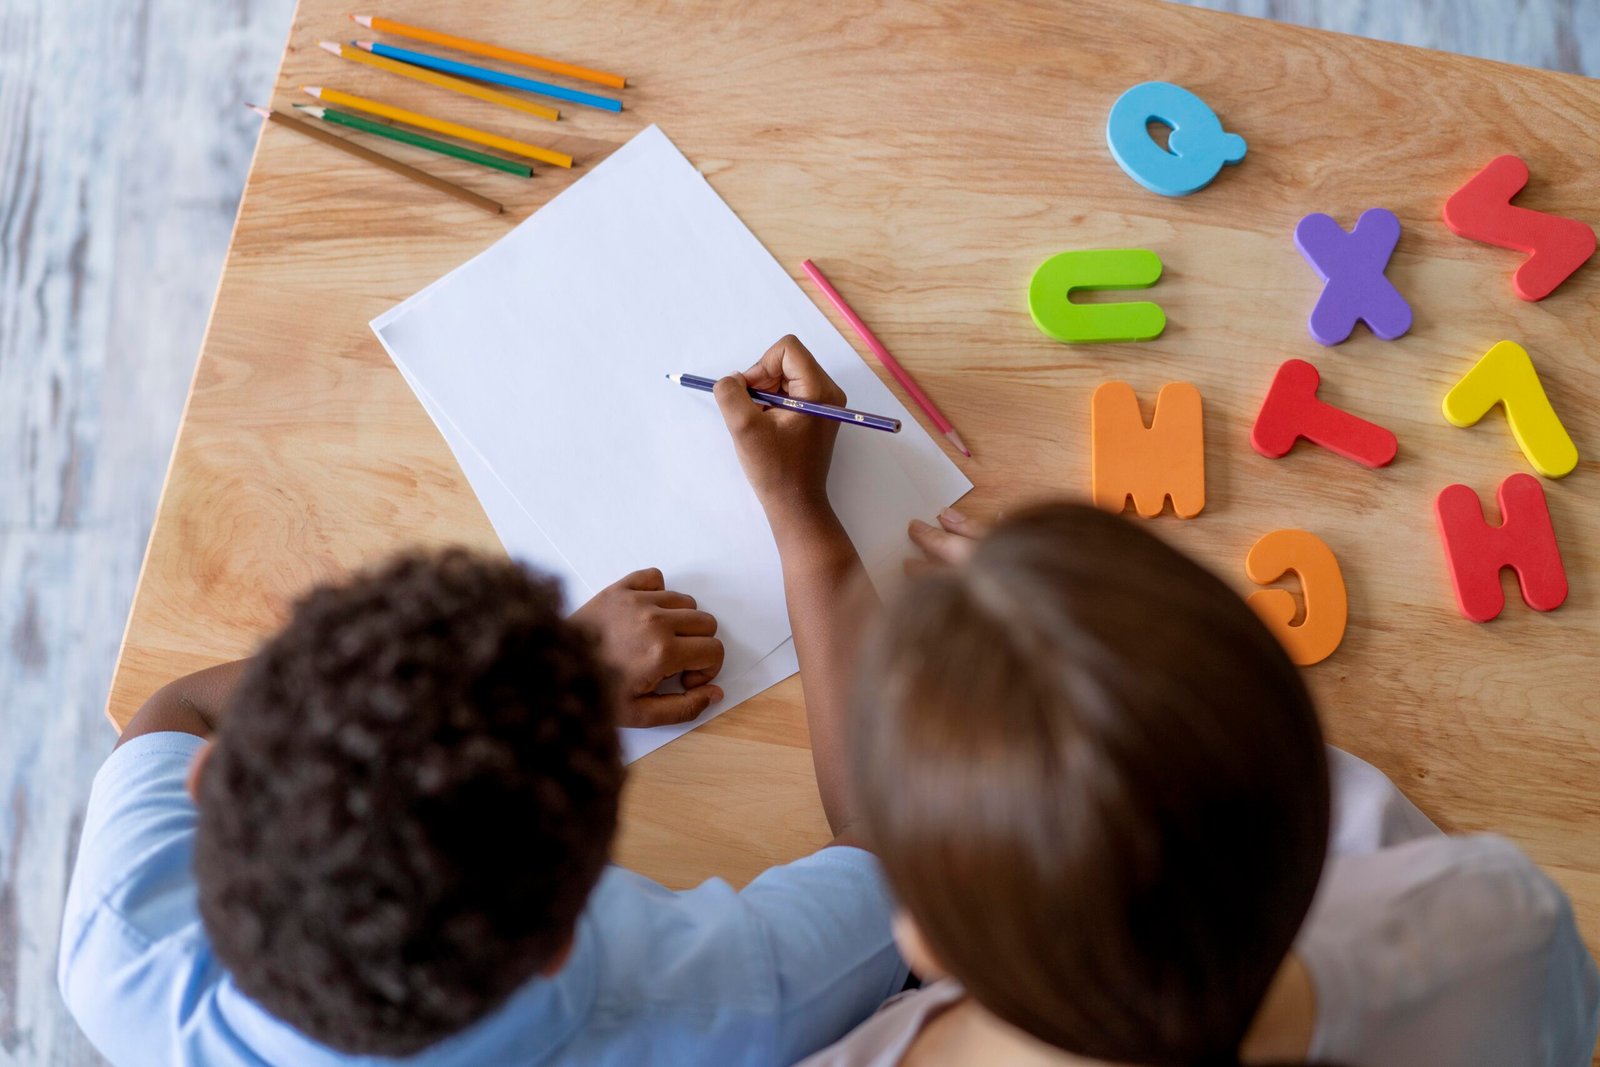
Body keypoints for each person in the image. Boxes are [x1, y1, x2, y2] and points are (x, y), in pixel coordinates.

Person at [709, 337, 1600, 1066]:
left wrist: (808, 532)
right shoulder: (1497, 925)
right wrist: (1085, 634)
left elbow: (866, 844)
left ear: (920, 941)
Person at [59, 536, 907, 1059]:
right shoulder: (723, 1000)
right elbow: (898, 853)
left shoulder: (119, 947)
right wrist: (809, 535)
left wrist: (530, 681)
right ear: (559, 945)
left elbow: (180, 708)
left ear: (207, 780)